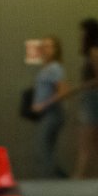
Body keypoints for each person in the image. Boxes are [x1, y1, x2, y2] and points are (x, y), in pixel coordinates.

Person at [72, 19, 98, 179]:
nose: (80, 34)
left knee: (86, 142)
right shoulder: (96, 51)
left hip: (93, 98)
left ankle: (79, 175)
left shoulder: (95, 52)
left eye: (82, 31)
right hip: (94, 97)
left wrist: (80, 87)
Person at [30, 36, 69, 178]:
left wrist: (43, 104)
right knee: (46, 149)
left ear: (55, 50)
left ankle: (52, 179)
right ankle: (57, 177)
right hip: (45, 114)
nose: (45, 49)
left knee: (43, 149)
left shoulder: (55, 68)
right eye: (43, 46)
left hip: (52, 113)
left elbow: (63, 91)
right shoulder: (45, 68)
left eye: (49, 46)